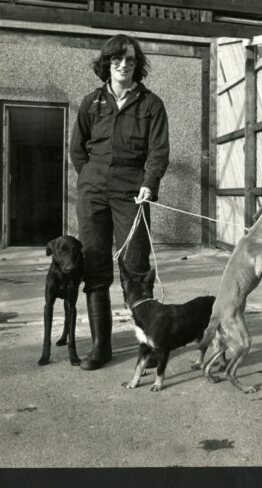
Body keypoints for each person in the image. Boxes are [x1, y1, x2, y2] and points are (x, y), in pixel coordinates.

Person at [69, 34, 170, 371]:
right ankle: (101, 347)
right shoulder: (91, 103)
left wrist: (148, 184)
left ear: (137, 64)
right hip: (93, 192)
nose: (123, 65)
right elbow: (77, 149)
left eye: (129, 60)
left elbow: (158, 153)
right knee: (95, 265)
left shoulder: (151, 104)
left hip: (132, 192)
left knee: (137, 268)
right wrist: (90, 179)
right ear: (106, 64)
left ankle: (151, 343)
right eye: (116, 59)